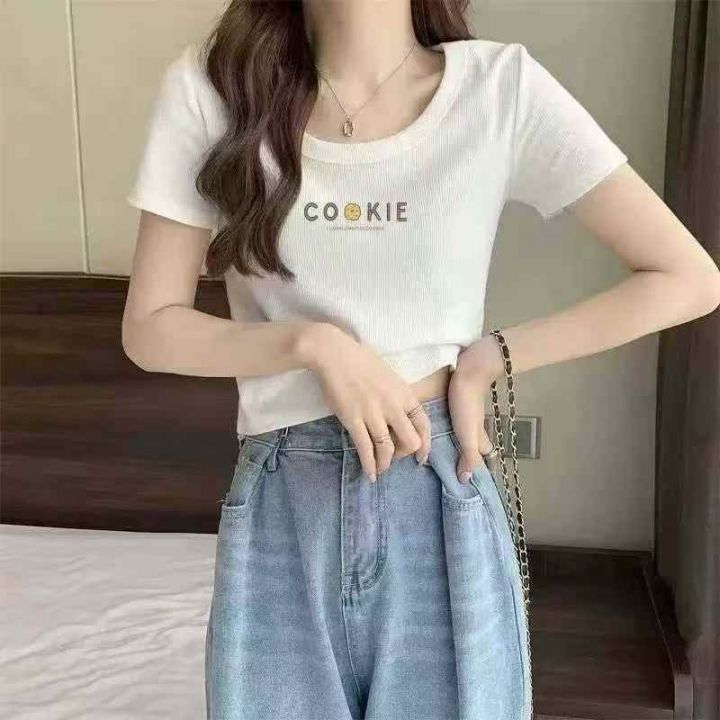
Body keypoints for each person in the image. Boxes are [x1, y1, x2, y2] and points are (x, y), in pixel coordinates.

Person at [122, 2, 720, 719]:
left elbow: (689, 277)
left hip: (439, 491)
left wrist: (492, 357)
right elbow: (150, 328)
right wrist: (312, 344)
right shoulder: (215, 88)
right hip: (284, 505)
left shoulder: (499, 88)